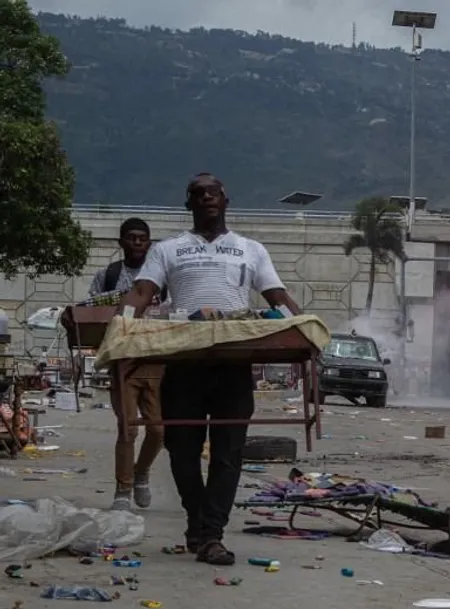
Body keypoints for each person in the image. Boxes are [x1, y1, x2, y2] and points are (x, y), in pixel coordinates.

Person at [122, 174, 301, 565]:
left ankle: (211, 534)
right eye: (198, 194)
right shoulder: (169, 249)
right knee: (181, 452)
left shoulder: (250, 250)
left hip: (233, 365)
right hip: (184, 363)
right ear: (188, 204)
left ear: (226, 200)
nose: (206, 197)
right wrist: (120, 325)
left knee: (227, 455)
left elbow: (277, 296)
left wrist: (307, 327)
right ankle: (198, 522)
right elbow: (141, 294)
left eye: (213, 192)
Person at [87, 217, 163, 511]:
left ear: (149, 243)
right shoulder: (108, 274)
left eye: (143, 238)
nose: (137, 242)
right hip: (122, 361)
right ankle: (123, 488)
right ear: (121, 242)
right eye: (131, 237)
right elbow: (91, 309)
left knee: (157, 430)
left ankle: (141, 472)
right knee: (127, 428)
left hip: (155, 359)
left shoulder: (162, 277)